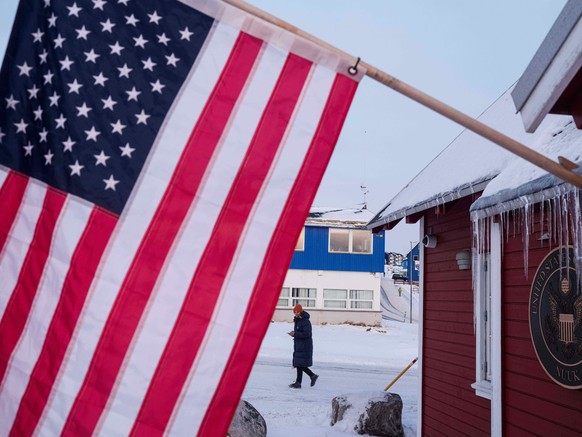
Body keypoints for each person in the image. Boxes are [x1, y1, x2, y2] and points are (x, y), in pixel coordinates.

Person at [288, 303, 318, 389]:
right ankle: (299, 382)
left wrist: (295, 334)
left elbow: (307, 334)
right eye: (294, 312)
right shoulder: (298, 320)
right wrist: (294, 334)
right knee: (299, 363)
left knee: (299, 363)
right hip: (299, 345)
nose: (296, 314)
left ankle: (312, 376)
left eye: (297, 312)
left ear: (301, 311)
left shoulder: (305, 321)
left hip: (304, 345)